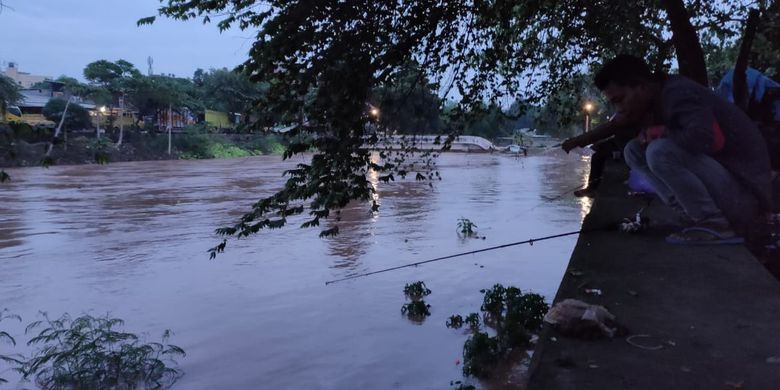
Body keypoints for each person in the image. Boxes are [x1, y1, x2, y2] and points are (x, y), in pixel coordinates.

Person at [593, 54, 772, 244]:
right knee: (634, 150)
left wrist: (663, 133)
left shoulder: (679, 94)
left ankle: (713, 223)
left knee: (659, 151)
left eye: (619, 100)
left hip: (746, 198)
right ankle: (689, 215)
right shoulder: (657, 100)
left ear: (642, 86)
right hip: (726, 188)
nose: (619, 109)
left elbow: (707, 139)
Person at [561, 116, 636, 197]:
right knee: (598, 149)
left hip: (630, 145)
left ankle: (593, 188)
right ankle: (592, 187)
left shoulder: (629, 112)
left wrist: (576, 142)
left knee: (600, 153)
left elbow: (606, 130)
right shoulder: (627, 111)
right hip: (624, 141)